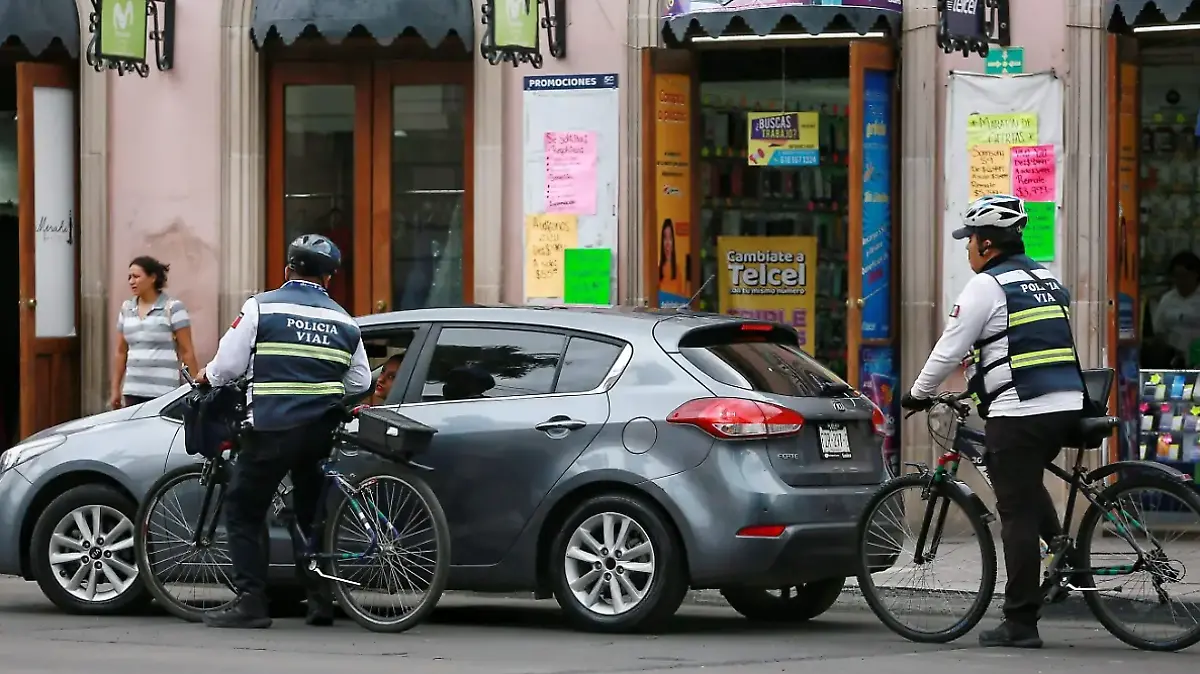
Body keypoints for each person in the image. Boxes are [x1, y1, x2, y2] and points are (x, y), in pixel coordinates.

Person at [900, 194, 1084, 649]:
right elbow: (1023, 343)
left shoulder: (987, 285)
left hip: (1022, 411)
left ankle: (1021, 622)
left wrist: (917, 394)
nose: (966, 250)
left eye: (969, 241)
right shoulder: (1044, 277)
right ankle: (1064, 552)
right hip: (1068, 404)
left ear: (985, 243)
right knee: (1024, 482)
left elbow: (948, 347)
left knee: (1014, 513)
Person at [196, 234, 371, 629]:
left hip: (272, 428)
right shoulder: (344, 320)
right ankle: (320, 602)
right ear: (329, 278)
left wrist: (208, 377)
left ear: (287, 269)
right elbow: (360, 380)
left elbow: (228, 365)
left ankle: (251, 603)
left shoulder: (261, 307)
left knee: (243, 509)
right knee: (311, 513)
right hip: (321, 431)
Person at [111, 256, 199, 409]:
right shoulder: (126, 308)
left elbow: (187, 351)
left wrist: (197, 387)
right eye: (129, 277)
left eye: (136, 277)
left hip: (163, 391)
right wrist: (115, 388)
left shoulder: (172, 307)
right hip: (133, 389)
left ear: (152, 278)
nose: (131, 281)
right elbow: (121, 352)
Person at [1151, 251, 1200, 364]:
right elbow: (1159, 331)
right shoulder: (1167, 299)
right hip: (1173, 359)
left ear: (1196, 274)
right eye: (1177, 276)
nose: (1180, 281)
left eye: (1184, 276)